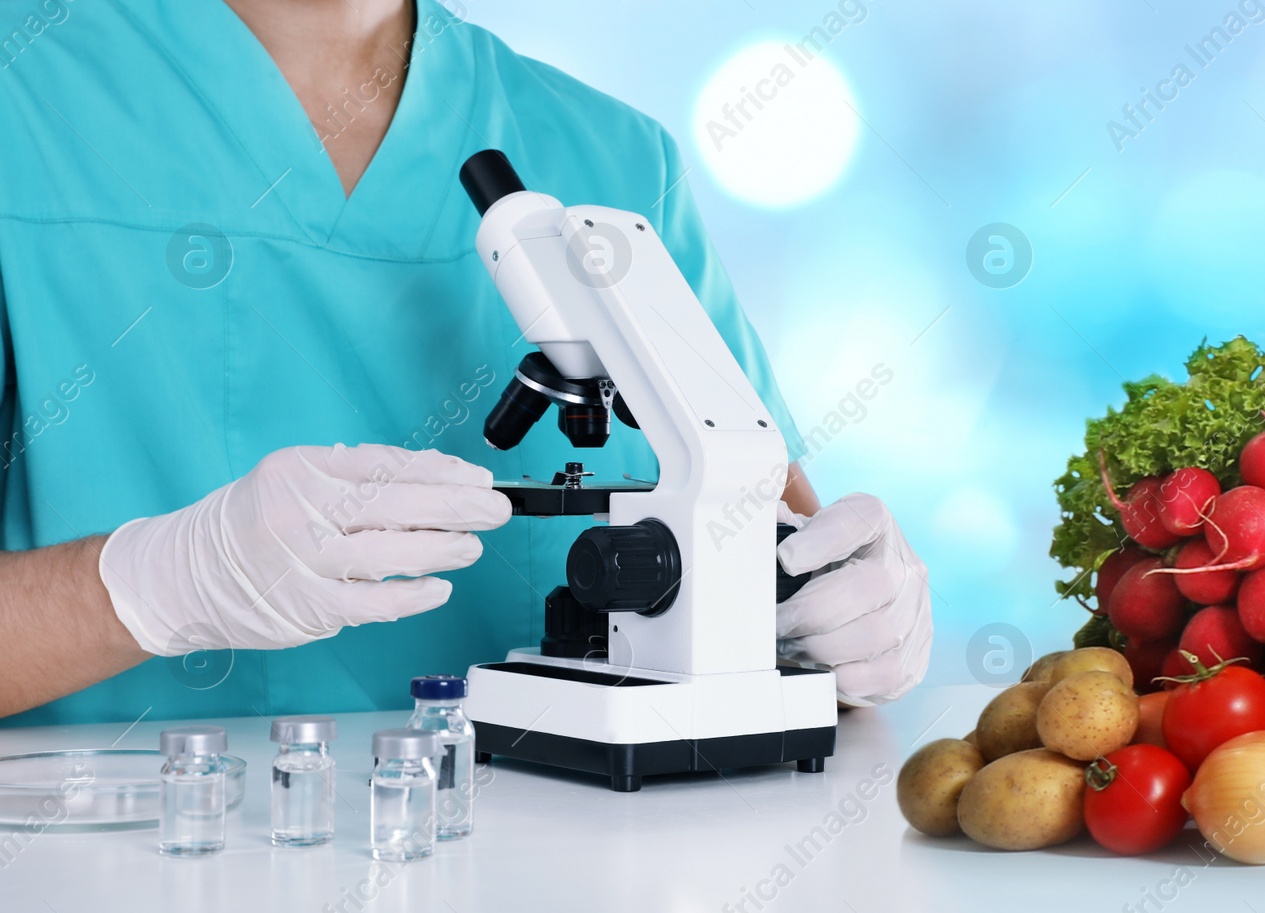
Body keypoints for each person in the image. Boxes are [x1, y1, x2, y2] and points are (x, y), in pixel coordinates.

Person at [0, 0, 931, 723]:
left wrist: (843, 625)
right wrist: (158, 583)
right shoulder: (26, 94)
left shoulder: (610, 156)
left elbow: (784, 560)